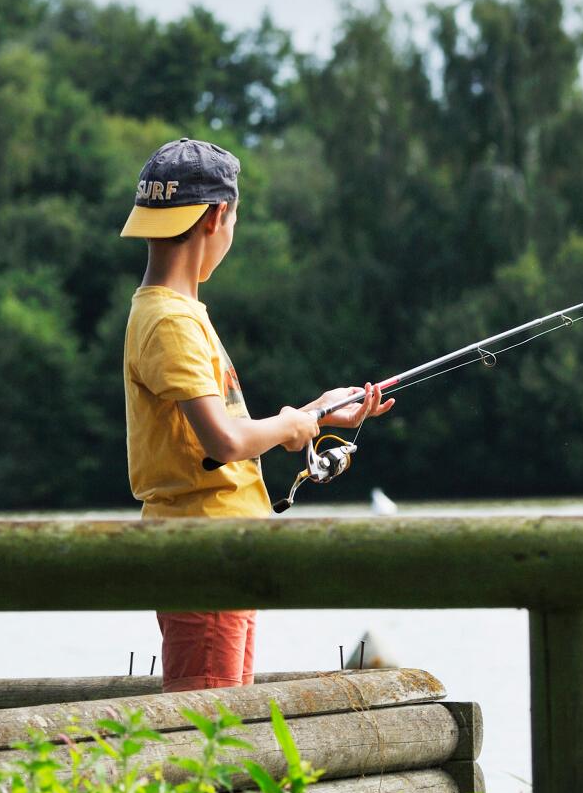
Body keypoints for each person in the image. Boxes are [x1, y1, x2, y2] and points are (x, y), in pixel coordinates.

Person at [120, 137, 393, 692]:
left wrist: (316, 412)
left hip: (222, 551)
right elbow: (223, 440)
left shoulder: (175, 313)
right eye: (235, 218)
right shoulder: (171, 321)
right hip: (204, 556)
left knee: (228, 723)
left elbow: (224, 433)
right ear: (217, 216)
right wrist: (292, 425)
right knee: (210, 737)